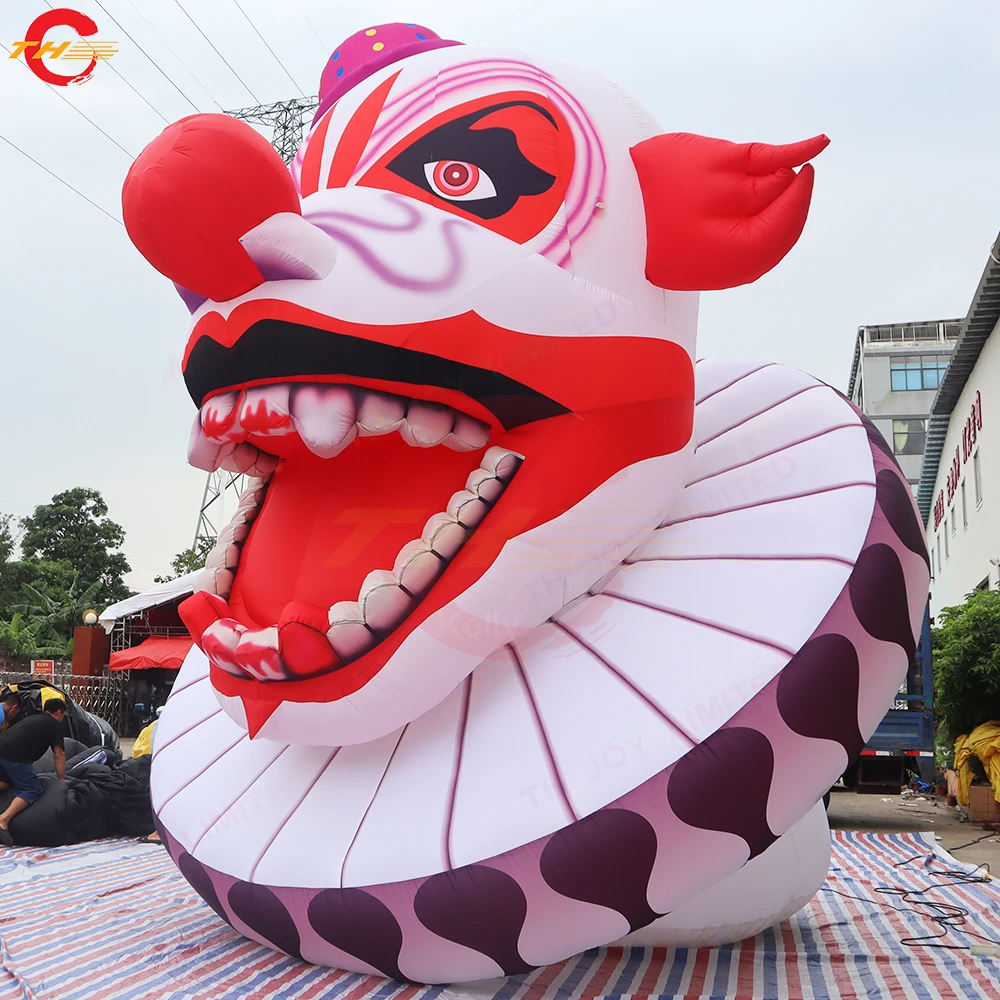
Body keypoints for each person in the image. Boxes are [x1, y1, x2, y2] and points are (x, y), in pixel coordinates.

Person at [0, 698, 67, 845]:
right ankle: (3, 820)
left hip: (2, 748)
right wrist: (62, 781)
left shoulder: (33, 717)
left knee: (5, 783)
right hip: (15, 756)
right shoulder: (55, 725)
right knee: (32, 789)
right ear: (59, 712)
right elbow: (59, 754)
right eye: (64, 716)